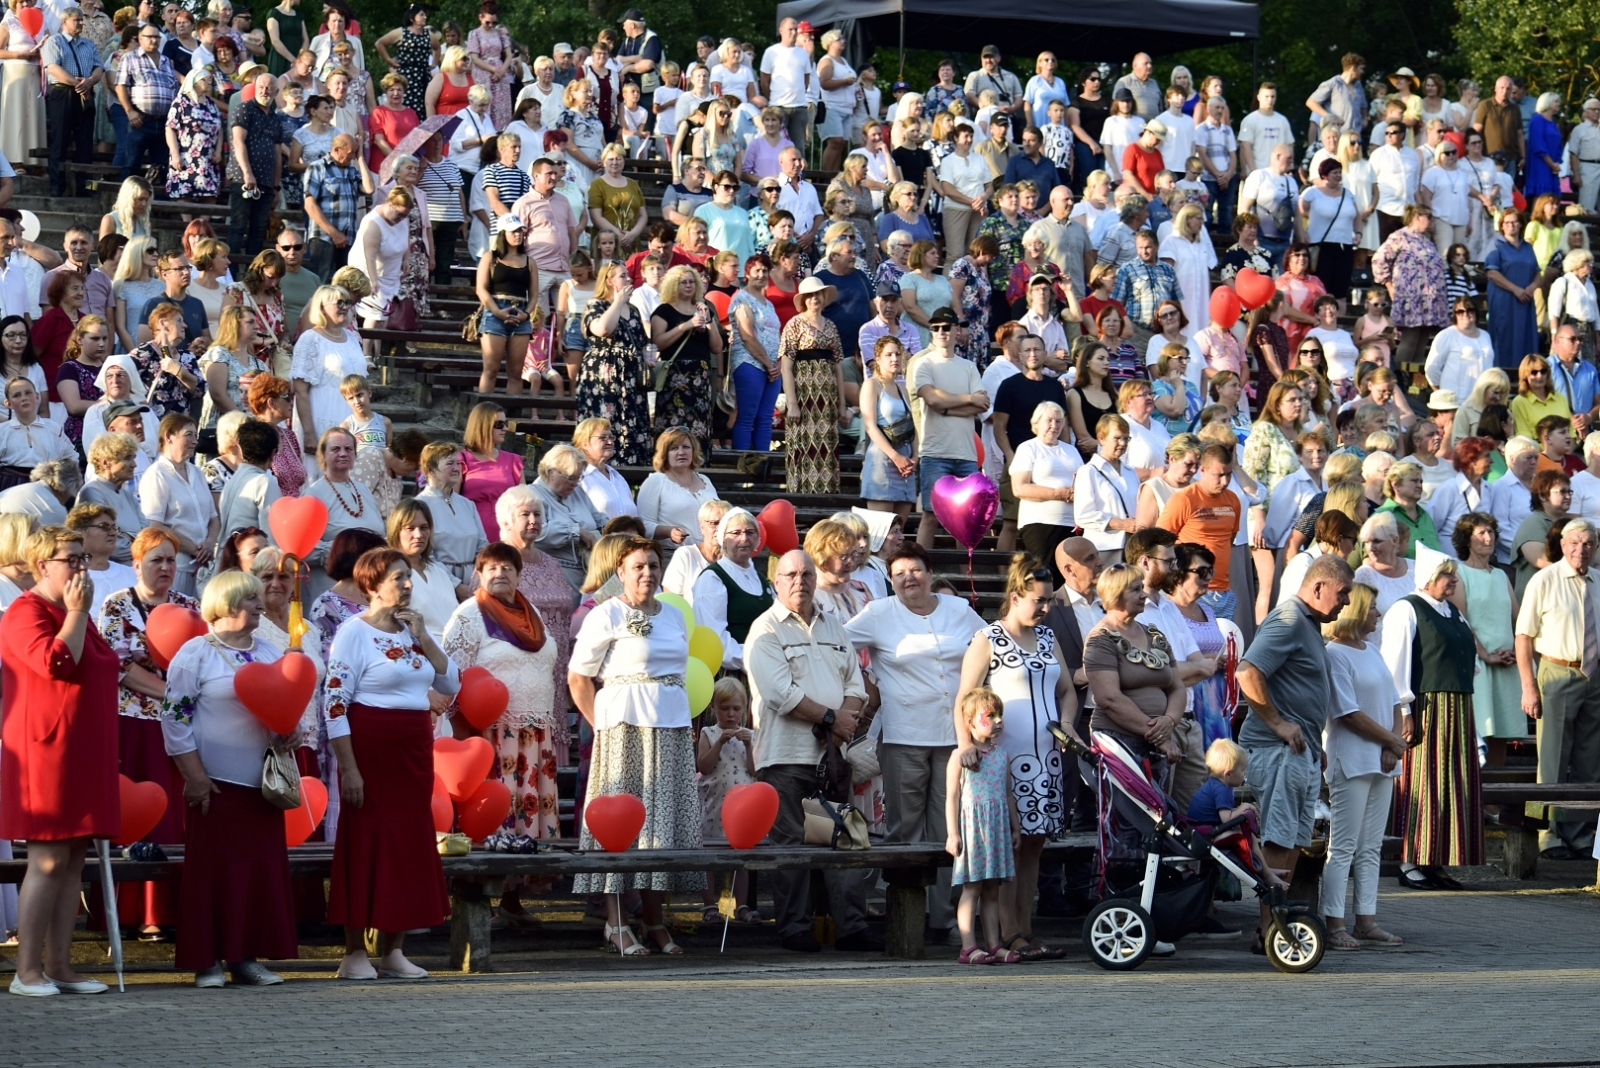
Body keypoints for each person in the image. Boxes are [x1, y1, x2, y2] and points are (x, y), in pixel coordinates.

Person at [323, 546, 459, 979]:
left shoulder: (410, 631)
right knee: (366, 843)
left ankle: (394, 949)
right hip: (370, 750)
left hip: (412, 752)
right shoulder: (353, 632)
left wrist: (424, 638)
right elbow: (335, 703)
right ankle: (353, 953)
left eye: (407, 577)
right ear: (372, 586)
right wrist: (349, 768)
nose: (406, 584)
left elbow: (449, 680)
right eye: (398, 577)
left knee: (407, 844)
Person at [158, 571, 298, 986]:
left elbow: (285, 709)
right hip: (215, 785)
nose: (260, 604)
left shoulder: (270, 652)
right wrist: (195, 777)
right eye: (251, 599)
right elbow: (174, 719)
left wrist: (291, 732)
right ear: (228, 603)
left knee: (255, 872)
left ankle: (244, 957)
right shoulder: (195, 654)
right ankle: (207, 961)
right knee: (213, 873)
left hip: (263, 787)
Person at [567, 536, 702, 956]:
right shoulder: (606, 614)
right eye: (638, 566)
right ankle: (617, 922)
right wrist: (603, 727)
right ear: (621, 572)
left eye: (653, 565)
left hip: (670, 731)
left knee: (660, 831)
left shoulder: (674, 616)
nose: (647, 573)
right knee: (619, 828)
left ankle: (656, 922)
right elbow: (578, 679)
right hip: (624, 733)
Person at [843, 542, 984, 943]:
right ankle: (905, 920)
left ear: (930, 572)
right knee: (905, 829)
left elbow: (990, 648)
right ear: (891, 578)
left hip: (956, 737)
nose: (909, 578)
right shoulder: (879, 614)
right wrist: (863, 687)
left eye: (916, 570)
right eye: (900, 572)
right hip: (904, 734)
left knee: (947, 827)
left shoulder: (959, 610)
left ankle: (944, 920)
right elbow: (838, 645)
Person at [1, 525, 120, 997]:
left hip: (83, 748)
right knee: (48, 860)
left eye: (81, 558)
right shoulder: (25, 612)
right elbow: (55, 662)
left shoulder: (77, 611)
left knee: (74, 860)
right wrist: (75, 613)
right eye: (69, 558)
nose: (79, 566)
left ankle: (60, 965)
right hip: (45, 750)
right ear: (41, 565)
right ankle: (26, 971)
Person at [744, 549, 875, 952]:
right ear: (776, 582)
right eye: (790, 575)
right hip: (786, 757)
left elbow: (856, 685)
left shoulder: (835, 627)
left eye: (806, 574)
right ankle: (794, 929)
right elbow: (780, 693)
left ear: (816, 580)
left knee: (847, 842)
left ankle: (851, 927)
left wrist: (845, 720)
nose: (800, 580)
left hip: (833, 759)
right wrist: (835, 721)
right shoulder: (764, 630)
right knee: (792, 849)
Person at [954, 555, 1074, 960]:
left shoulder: (1047, 637)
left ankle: (1025, 928)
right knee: (1009, 845)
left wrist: (1069, 724)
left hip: (1045, 757)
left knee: (1034, 846)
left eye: (1049, 602)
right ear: (1015, 595)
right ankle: (1005, 934)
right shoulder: (989, 637)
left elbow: (1067, 691)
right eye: (1038, 600)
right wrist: (966, 746)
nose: (1044, 608)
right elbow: (963, 700)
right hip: (1003, 759)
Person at [441, 540, 557, 856]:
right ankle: (483, 892)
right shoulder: (468, 616)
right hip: (493, 737)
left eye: (507, 567)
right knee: (496, 815)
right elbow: (451, 679)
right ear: (478, 574)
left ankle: (513, 896)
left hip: (534, 735)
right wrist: (466, 739)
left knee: (527, 817)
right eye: (491, 567)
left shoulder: (531, 613)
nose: (500, 573)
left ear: (520, 574)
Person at [1378, 546, 1482, 890]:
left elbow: (1469, 661)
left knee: (1451, 784)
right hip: (1427, 707)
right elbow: (1394, 666)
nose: (1454, 579)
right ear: (1429, 578)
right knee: (1422, 780)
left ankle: (1435, 858)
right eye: (1447, 574)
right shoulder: (1406, 610)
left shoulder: (1451, 611)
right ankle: (1409, 860)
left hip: (1456, 708)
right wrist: (1403, 711)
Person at [942, 687, 1018, 965]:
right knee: (971, 888)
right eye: (990, 716)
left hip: (997, 830)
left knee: (992, 890)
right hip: (974, 830)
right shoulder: (959, 758)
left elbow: (1008, 794)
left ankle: (993, 944)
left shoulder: (1002, 755)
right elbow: (951, 797)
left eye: (1000, 715)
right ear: (970, 722)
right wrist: (952, 833)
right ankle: (968, 946)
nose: (998, 721)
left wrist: (1015, 828)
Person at [910, 307, 987, 549]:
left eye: (945, 327)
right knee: (931, 515)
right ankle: (919, 568)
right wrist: (967, 399)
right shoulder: (923, 364)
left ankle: (968, 575)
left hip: (966, 454)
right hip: (934, 453)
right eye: (935, 328)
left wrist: (946, 408)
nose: (941, 332)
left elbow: (982, 403)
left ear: (956, 331)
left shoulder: (968, 366)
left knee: (966, 518)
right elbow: (931, 399)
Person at [578, 261, 652, 467]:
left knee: (632, 426)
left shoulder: (634, 310)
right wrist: (618, 302)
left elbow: (643, 343)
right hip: (603, 376)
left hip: (630, 378)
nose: (628, 279)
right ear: (609, 281)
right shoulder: (596, 304)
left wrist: (648, 358)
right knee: (604, 423)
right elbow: (602, 329)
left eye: (628, 275)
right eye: (622, 276)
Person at [778, 275, 844, 495]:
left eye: (818, 294)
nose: (815, 298)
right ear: (804, 299)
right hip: (804, 396)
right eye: (810, 295)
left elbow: (838, 367)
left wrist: (842, 405)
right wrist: (792, 402)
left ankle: (826, 497)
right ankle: (801, 497)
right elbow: (786, 366)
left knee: (827, 447)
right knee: (802, 446)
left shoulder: (832, 326)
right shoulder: (794, 325)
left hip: (827, 398)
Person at [687, 508, 771, 673]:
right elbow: (715, 637)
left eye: (750, 532)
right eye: (736, 533)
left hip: (766, 669)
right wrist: (755, 661)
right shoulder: (713, 578)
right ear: (723, 540)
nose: (744, 538)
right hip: (733, 675)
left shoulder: (760, 579)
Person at [289, 284, 365, 463]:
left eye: (347, 302)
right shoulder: (310, 339)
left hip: (352, 420)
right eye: (339, 303)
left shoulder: (351, 338)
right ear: (322, 307)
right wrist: (309, 435)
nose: (345, 307)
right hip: (321, 420)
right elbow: (300, 390)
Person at [650, 263, 722, 449]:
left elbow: (717, 347)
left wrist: (708, 320)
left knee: (699, 427)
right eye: (683, 282)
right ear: (674, 285)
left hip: (700, 377)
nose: (689, 285)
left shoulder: (704, 309)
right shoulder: (663, 311)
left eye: (692, 282)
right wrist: (687, 325)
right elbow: (658, 342)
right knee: (673, 428)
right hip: (675, 376)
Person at [43, 7, 105, 198]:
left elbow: (99, 68)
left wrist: (90, 81)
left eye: (81, 20)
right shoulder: (54, 41)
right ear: (65, 22)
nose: (80, 23)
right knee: (60, 140)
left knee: (85, 142)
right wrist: (78, 84)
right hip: (63, 93)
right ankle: (57, 185)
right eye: (76, 20)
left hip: (86, 94)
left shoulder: (89, 44)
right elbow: (53, 68)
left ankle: (82, 186)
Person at [860, 336, 918, 519]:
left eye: (898, 354)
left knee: (898, 532)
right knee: (880, 532)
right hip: (883, 462)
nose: (894, 358)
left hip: (906, 464)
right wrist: (895, 457)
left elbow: (912, 426)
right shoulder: (871, 385)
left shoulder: (904, 390)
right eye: (888, 354)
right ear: (878, 358)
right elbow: (870, 426)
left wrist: (915, 457)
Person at [1484, 208, 1540, 372]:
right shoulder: (1496, 245)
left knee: (1525, 336)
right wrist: (1516, 290)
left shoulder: (1527, 247)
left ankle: (1525, 373)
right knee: (1504, 336)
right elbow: (1492, 273)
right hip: (1504, 300)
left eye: (1515, 221)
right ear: (1502, 225)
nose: (1511, 225)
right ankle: (1502, 375)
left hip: (1526, 300)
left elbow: (1537, 272)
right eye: (1507, 222)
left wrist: (1531, 287)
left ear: (1521, 224)